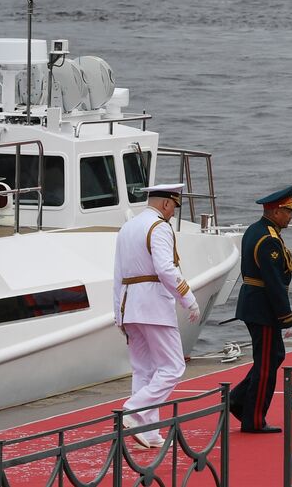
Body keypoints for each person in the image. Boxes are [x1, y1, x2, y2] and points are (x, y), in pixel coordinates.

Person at [112, 183, 201, 450]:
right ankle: (132, 411)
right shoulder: (159, 227)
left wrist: (118, 313)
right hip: (153, 306)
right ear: (165, 204)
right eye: (174, 206)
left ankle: (148, 432)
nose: (173, 212)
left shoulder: (127, 227)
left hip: (130, 306)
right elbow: (166, 268)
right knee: (173, 367)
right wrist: (188, 298)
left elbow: (117, 274)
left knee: (144, 369)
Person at [229, 186, 292, 433]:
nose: (291, 216)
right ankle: (254, 420)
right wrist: (286, 316)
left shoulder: (257, 229)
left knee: (272, 357)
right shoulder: (268, 238)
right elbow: (273, 282)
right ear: (276, 211)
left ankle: (237, 399)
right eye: (288, 211)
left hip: (255, 304)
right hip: (263, 308)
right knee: (266, 365)